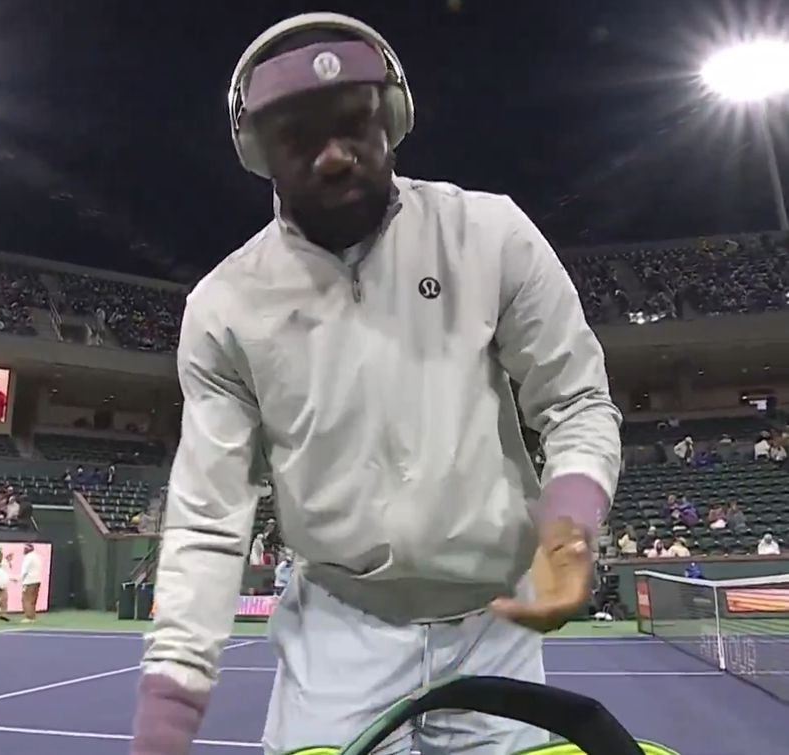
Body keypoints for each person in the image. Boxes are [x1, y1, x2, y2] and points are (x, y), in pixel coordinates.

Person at [132, 14, 621, 755]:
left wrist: (571, 523)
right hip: (338, 635)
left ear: (390, 120)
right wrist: (166, 720)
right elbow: (208, 518)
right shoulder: (226, 306)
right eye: (299, 135)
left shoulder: (490, 235)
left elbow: (576, 400)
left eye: (355, 124)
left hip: (497, 623)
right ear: (257, 151)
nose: (335, 156)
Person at [20, 543, 43, 622]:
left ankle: (29, 617)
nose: (24, 550)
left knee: (26, 599)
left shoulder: (28, 557)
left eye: (25, 548)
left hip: (29, 581)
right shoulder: (37, 557)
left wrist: (20, 579)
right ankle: (32, 616)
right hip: (37, 580)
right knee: (33, 600)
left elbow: (24, 570)